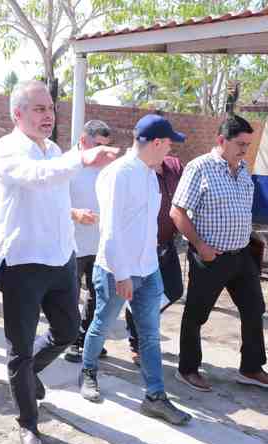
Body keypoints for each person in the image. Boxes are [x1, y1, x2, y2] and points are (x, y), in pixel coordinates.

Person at [0, 80, 118, 444]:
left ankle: (29, 377)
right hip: (22, 264)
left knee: (66, 332)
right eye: (39, 109)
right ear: (18, 114)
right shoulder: (7, 150)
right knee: (19, 351)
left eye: (50, 108)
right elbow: (36, 177)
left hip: (60, 258)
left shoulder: (53, 149)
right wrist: (80, 159)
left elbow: (53, 196)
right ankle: (28, 422)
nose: (49, 115)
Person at [77, 115, 191, 426]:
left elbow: (147, 227)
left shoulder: (149, 174)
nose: (170, 149)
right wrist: (123, 274)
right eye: (168, 143)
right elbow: (110, 230)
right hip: (118, 268)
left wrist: (149, 267)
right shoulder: (120, 174)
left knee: (150, 335)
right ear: (156, 143)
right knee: (101, 323)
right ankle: (87, 372)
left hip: (148, 267)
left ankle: (155, 397)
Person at [170, 115, 268, 392]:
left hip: (242, 256)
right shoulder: (200, 168)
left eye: (248, 144)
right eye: (240, 144)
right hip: (211, 256)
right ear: (221, 140)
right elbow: (177, 211)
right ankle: (188, 369)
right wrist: (200, 246)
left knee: (254, 309)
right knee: (197, 314)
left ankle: (251, 368)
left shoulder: (243, 170)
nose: (245, 150)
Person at [125, 154, 185, 366]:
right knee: (140, 294)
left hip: (166, 244)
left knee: (175, 289)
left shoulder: (174, 165)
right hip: (142, 246)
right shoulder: (137, 169)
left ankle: (138, 314)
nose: (168, 145)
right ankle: (136, 343)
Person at [64, 119, 112, 363]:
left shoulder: (107, 167)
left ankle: (88, 338)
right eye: (98, 145)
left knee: (98, 294)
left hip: (100, 244)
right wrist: (75, 214)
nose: (103, 151)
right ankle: (71, 341)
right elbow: (53, 202)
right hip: (72, 244)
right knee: (71, 295)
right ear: (83, 141)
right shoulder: (66, 164)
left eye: (106, 146)